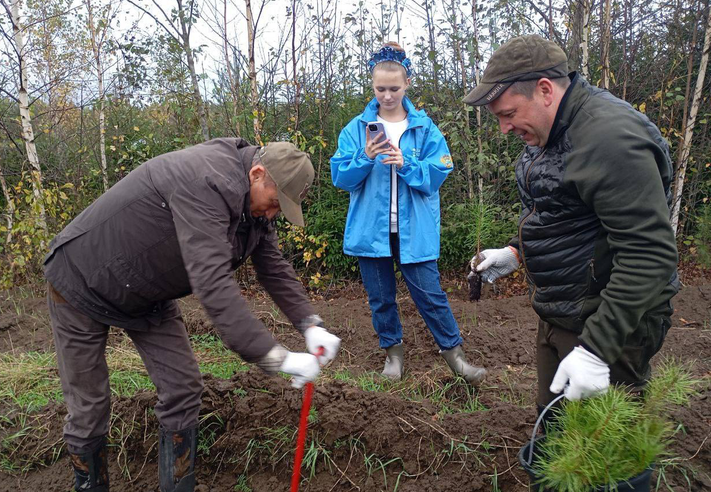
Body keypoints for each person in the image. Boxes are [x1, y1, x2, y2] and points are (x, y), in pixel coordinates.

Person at [44, 138, 341, 492]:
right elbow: (213, 285)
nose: (273, 215)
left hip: (147, 292)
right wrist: (277, 359)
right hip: (81, 280)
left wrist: (311, 325)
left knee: (183, 389)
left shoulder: (253, 205)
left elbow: (272, 266)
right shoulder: (205, 182)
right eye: (275, 203)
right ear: (258, 174)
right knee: (90, 407)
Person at [464, 35, 678, 417]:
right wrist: (516, 251)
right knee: (555, 441)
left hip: (610, 324)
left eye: (508, 114)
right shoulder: (552, 128)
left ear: (545, 90)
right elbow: (561, 208)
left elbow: (649, 254)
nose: (503, 128)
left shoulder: (610, 139)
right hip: (562, 311)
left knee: (608, 458)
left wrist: (597, 350)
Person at [330, 42, 486, 383]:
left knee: (431, 296)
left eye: (394, 88)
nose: (387, 95)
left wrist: (406, 163)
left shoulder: (425, 129)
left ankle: (456, 358)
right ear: (372, 87)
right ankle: (393, 358)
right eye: (380, 89)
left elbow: (439, 172)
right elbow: (340, 178)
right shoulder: (356, 129)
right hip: (372, 231)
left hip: (415, 230)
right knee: (381, 300)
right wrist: (365, 157)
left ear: (407, 84)